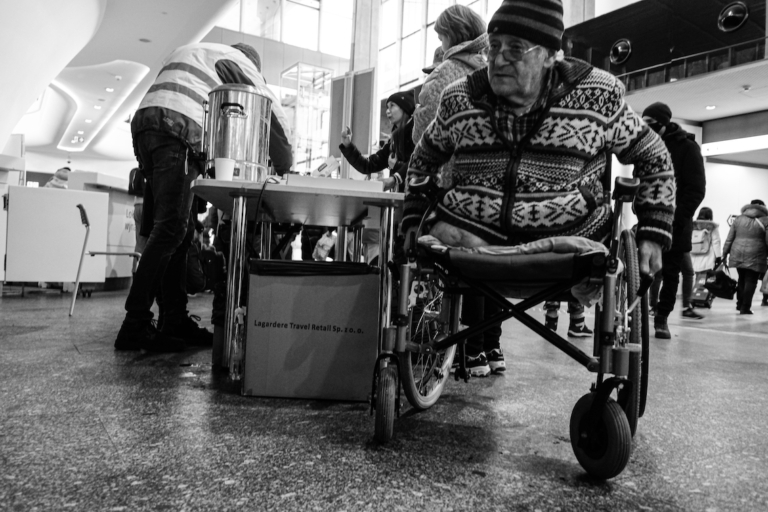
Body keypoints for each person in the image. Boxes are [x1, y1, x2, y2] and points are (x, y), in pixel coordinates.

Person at [402, 0, 676, 376]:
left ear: (550, 56)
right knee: (435, 236)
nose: (499, 60)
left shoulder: (597, 95)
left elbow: (654, 156)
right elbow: (422, 160)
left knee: (597, 260)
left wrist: (653, 232)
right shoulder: (459, 99)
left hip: (568, 237)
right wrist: (413, 216)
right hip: (475, 237)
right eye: (494, 47)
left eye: (516, 49)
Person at [115, 42, 293, 352]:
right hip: (178, 127)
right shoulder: (239, 62)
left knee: (180, 233)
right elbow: (272, 119)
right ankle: (135, 322)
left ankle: (173, 321)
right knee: (171, 229)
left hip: (146, 126)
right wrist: (285, 163)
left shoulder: (200, 52)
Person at [641, 102, 706, 337]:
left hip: (676, 224)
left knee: (670, 273)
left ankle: (661, 318)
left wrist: (676, 218)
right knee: (645, 270)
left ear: (664, 123)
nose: (646, 128)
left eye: (651, 123)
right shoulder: (647, 145)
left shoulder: (687, 148)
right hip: (649, 220)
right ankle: (641, 311)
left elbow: (696, 189)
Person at [412, 5, 488, 145]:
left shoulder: (442, 74)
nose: (442, 47)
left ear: (451, 35)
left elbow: (422, 135)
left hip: (452, 163)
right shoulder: (491, 68)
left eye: (441, 40)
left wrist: (418, 112)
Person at [339, 92, 415, 192]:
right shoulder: (394, 142)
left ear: (404, 108)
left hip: (419, 202)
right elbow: (367, 165)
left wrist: (396, 169)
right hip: (400, 202)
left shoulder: (418, 134)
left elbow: (419, 165)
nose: (387, 111)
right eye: (387, 107)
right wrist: (348, 145)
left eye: (392, 106)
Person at [722, 199, 768, 314]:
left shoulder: (738, 219)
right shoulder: (766, 220)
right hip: (756, 254)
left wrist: (724, 253)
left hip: (737, 252)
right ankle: (745, 307)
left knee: (741, 279)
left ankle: (739, 304)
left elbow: (729, 239)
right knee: (751, 281)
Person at [690, 206, 722, 292]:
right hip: (707, 255)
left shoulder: (693, 225)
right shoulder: (712, 226)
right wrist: (718, 256)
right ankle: (700, 297)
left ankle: (694, 296)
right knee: (704, 278)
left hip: (694, 254)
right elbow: (716, 242)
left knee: (697, 276)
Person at [128, 167, 148, 254]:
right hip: (146, 206)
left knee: (139, 241)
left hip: (137, 205)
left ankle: (135, 267)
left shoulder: (135, 171)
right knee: (149, 241)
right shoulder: (148, 170)